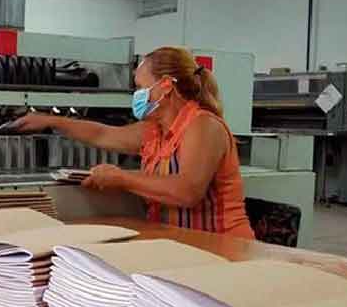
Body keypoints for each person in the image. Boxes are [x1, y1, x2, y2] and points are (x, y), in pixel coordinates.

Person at [13, 47, 255, 239]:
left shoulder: (203, 126)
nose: (136, 94)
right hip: (180, 241)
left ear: (166, 86)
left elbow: (186, 191)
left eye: (140, 87)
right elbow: (102, 135)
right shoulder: (156, 130)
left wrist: (121, 179)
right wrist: (48, 120)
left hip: (222, 245)